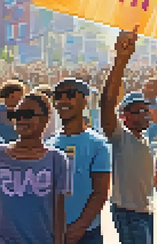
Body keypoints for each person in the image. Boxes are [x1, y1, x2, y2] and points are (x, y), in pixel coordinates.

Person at [0, 92, 68, 244]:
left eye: (28, 114)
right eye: (18, 114)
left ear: (45, 119)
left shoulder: (57, 159)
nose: (21, 119)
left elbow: (59, 210)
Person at [100, 29, 155, 244]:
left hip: (145, 211)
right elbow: (107, 102)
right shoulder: (120, 137)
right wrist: (120, 61)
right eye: (137, 111)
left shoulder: (145, 141)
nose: (144, 114)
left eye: (146, 110)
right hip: (128, 214)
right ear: (123, 117)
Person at [46, 78, 112, 244]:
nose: (63, 101)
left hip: (87, 234)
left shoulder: (98, 144)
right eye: (58, 96)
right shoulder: (48, 144)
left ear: (85, 100)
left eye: (69, 95)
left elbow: (101, 192)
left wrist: (80, 226)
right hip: (51, 232)